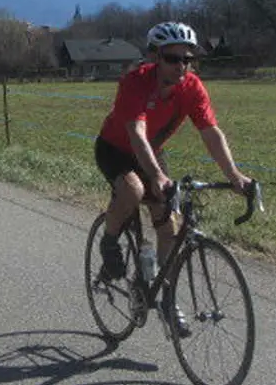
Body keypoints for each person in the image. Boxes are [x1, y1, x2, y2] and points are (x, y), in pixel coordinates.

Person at [95, 21, 253, 336]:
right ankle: (109, 242)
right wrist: (156, 176)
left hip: (151, 151)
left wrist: (234, 175)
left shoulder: (192, 87)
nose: (181, 65)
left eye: (187, 59)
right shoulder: (135, 82)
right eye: (172, 58)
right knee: (132, 190)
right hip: (116, 148)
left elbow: (210, 132)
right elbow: (136, 133)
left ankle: (164, 295)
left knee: (169, 224)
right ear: (155, 57)